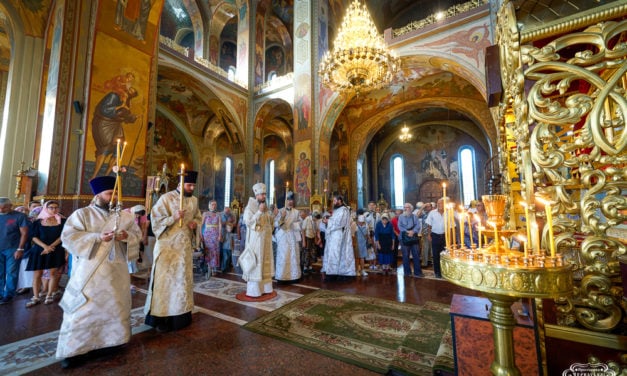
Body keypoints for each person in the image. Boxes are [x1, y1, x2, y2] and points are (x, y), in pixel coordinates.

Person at [56, 176, 141, 368]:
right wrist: (97, 237)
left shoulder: (126, 217)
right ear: (98, 195)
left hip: (116, 272)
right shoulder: (83, 214)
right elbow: (68, 237)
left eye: (117, 193)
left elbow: (137, 235)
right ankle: (75, 351)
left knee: (114, 306)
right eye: (110, 193)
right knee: (84, 310)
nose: (114, 197)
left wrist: (127, 236)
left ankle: (111, 344)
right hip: (90, 273)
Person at [145, 170, 202, 333]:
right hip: (167, 247)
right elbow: (155, 220)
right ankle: (162, 318)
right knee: (166, 283)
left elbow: (198, 217)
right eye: (189, 185)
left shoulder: (194, 200)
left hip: (184, 249)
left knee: (181, 281)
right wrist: (173, 218)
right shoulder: (166, 198)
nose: (191, 188)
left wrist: (195, 224)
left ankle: (180, 317)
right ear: (180, 183)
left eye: (193, 186)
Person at [25, 200, 67, 307]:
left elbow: (63, 236)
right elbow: (33, 236)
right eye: (51, 207)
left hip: (55, 249)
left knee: (53, 274)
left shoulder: (62, 221)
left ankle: (49, 295)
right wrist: (45, 247)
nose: (54, 210)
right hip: (40, 249)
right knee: (37, 274)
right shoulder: (37, 221)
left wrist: (50, 247)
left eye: (56, 207)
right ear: (46, 208)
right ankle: (36, 297)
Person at [239, 183, 274, 297]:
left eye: (265, 194)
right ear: (256, 195)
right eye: (262, 194)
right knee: (257, 263)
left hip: (265, 240)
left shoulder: (265, 207)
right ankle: (254, 291)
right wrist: (259, 212)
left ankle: (265, 288)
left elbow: (268, 223)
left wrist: (273, 216)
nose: (264, 196)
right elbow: (247, 222)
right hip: (255, 241)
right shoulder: (250, 207)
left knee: (265, 263)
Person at [0, 197, 29, 304]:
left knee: (11, 272)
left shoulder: (19, 216)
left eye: (4, 208)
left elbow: (24, 233)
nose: (1, 210)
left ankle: (9, 295)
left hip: (12, 249)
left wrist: (20, 248)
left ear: (11, 206)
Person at [321, 195, 355, 281]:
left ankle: (334, 274)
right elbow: (334, 220)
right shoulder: (337, 210)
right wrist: (327, 221)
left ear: (340, 200)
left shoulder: (344, 209)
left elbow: (340, 222)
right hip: (334, 234)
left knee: (335, 254)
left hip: (339, 234)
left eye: (335, 200)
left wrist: (328, 221)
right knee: (333, 253)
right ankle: (333, 272)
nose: (333, 202)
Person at [274, 192, 302, 283]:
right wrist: (281, 218)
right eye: (288, 200)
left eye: (291, 200)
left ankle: (294, 276)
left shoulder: (296, 212)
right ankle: (282, 277)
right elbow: (275, 223)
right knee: (283, 255)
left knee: (293, 255)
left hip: (292, 235)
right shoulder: (280, 211)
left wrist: (295, 225)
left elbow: (300, 223)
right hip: (283, 237)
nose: (290, 202)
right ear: (285, 201)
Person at [398, 203, 423, 277]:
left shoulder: (414, 216)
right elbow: (399, 226)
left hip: (413, 238)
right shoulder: (401, 217)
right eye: (404, 207)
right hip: (404, 238)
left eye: (407, 207)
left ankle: (417, 272)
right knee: (405, 256)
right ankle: (407, 272)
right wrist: (407, 231)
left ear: (411, 208)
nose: (405, 209)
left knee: (416, 255)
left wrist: (413, 231)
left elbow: (418, 226)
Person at [425, 198, 448, 278]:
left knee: (444, 254)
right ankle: (437, 272)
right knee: (435, 254)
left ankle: (444, 271)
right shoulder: (432, 213)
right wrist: (428, 234)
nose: (439, 205)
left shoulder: (448, 212)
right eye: (438, 203)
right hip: (435, 235)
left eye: (441, 203)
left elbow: (452, 226)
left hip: (445, 236)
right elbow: (429, 225)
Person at [201, 200, 222, 274]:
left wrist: (220, 235)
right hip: (207, 235)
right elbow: (201, 225)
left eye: (215, 204)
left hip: (215, 234)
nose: (214, 206)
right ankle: (208, 266)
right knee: (208, 250)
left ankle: (214, 268)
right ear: (209, 205)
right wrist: (200, 234)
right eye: (212, 204)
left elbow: (220, 225)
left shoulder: (218, 214)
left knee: (215, 250)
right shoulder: (205, 214)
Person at [416, 202, 433, 267]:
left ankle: (431, 261)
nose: (427, 208)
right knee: (425, 248)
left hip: (432, 233)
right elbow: (417, 216)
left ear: (431, 207)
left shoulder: (433, 213)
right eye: (426, 207)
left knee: (432, 248)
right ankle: (425, 263)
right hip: (425, 233)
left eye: (429, 206)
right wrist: (422, 207)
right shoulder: (424, 213)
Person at [300, 209, 316, 274]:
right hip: (307, 238)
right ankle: (305, 268)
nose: (316, 219)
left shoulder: (315, 220)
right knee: (306, 253)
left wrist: (316, 239)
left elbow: (316, 230)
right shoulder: (307, 219)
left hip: (312, 238)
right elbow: (303, 230)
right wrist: (304, 241)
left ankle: (310, 267)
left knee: (312, 253)